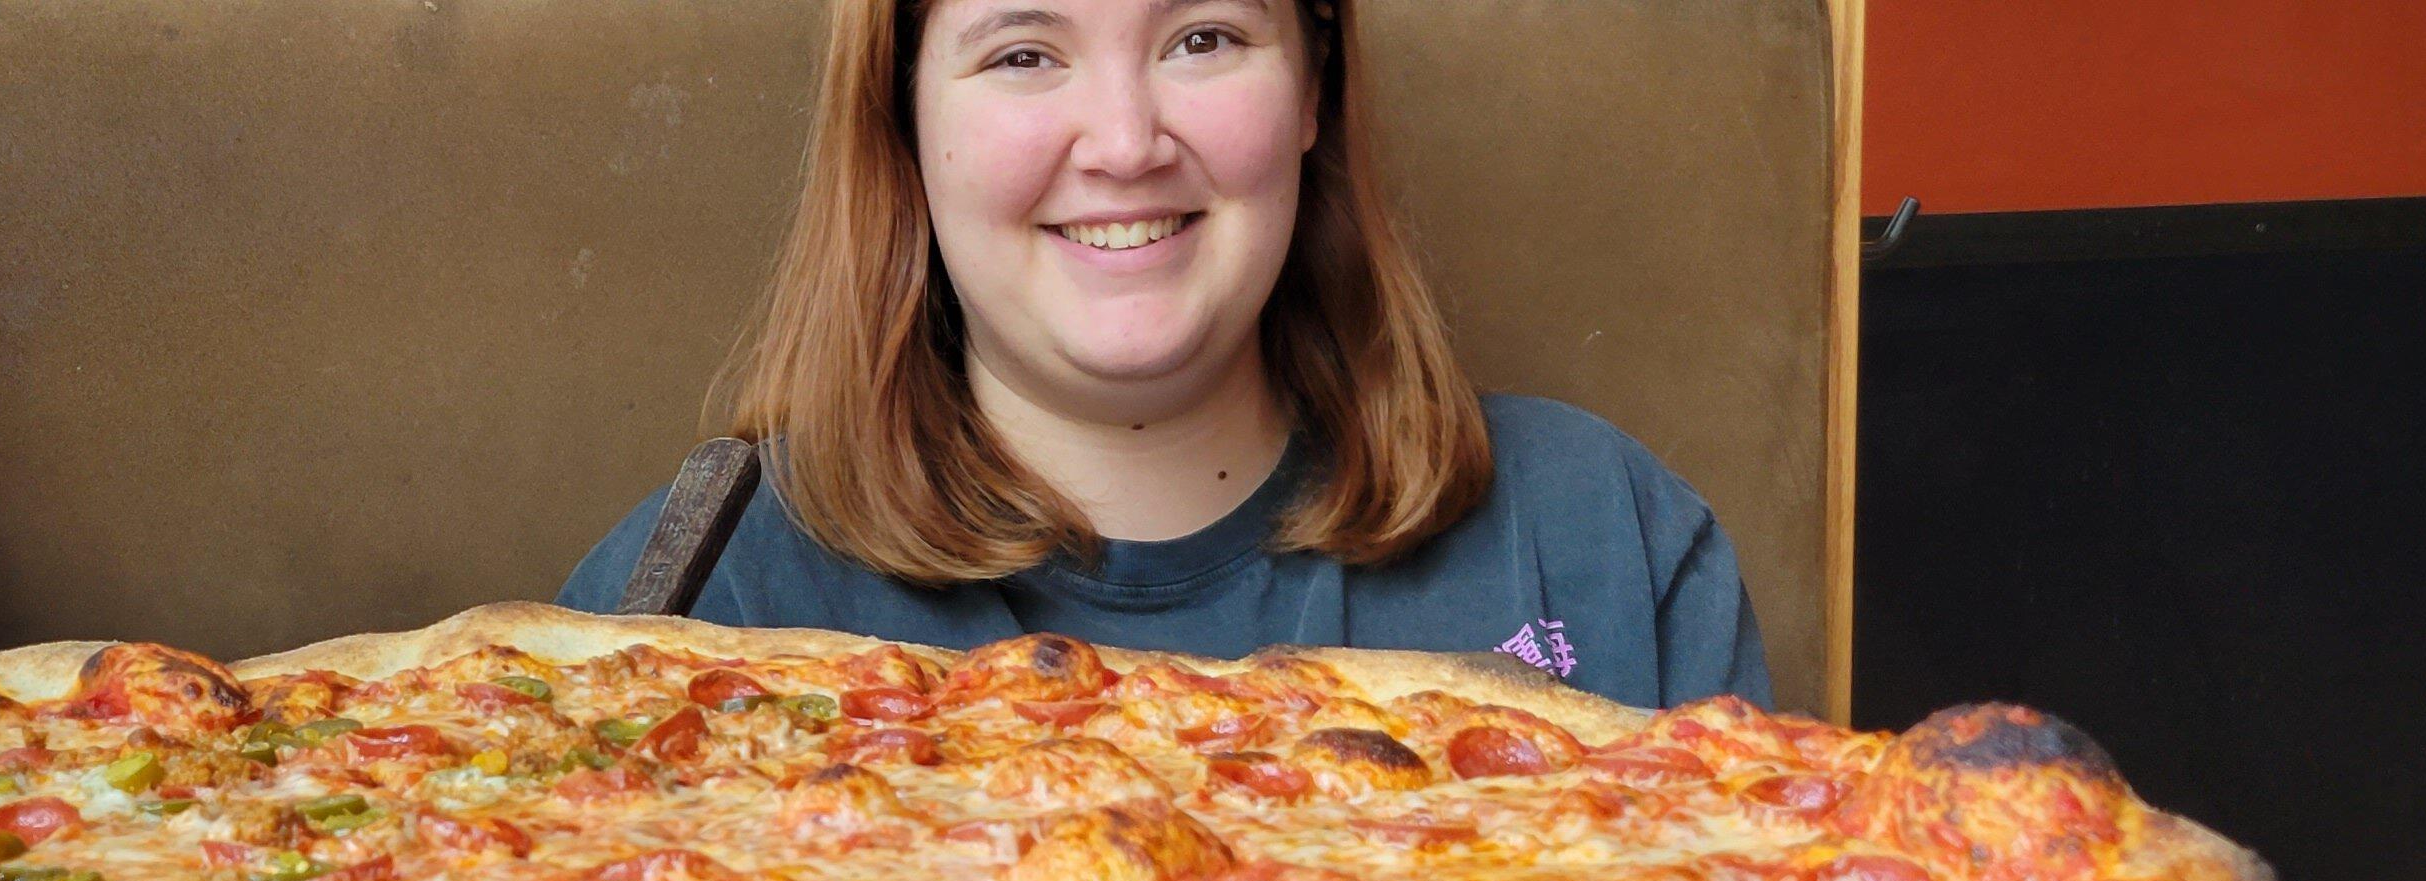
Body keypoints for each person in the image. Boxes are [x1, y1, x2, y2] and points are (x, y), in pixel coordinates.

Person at [558, 0, 1767, 709]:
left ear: (1312, 92)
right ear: (903, 122)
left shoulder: (1602, 535)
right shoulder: (686, 609)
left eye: (1202, 37)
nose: (1126, 144)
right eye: (1024, 52)